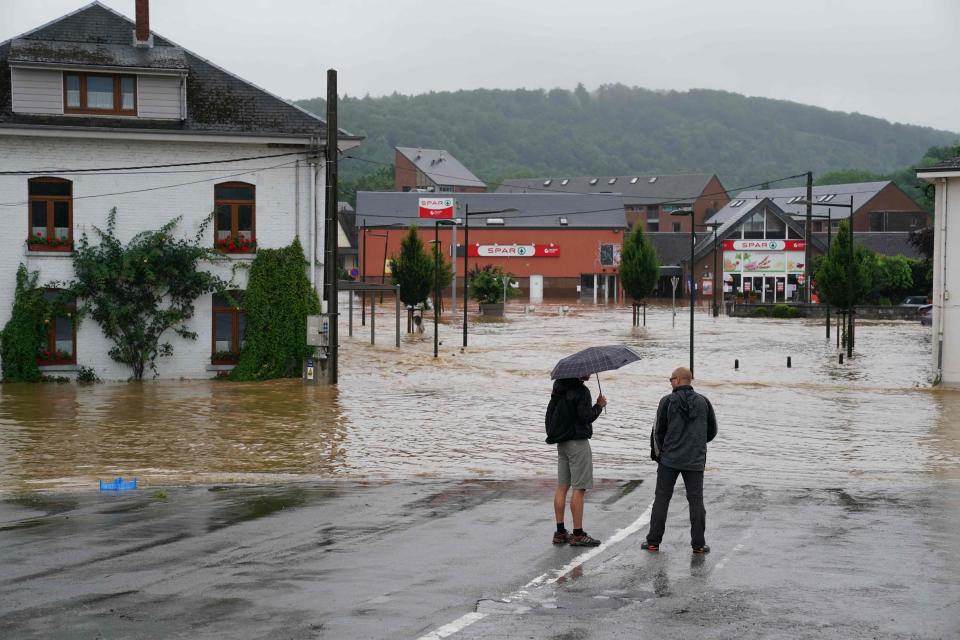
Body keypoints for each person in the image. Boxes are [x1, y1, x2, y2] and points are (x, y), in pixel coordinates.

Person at [644, 366, 717, 554]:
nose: (670, 382)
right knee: (696, 501)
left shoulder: (667, 401)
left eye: (670, 379)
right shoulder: (703, 401)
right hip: (695, 460)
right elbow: (712, 431)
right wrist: (697, 442)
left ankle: (653, 541)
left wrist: (659, 454)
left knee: (662, 498)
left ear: (677, 380)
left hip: (669, 459)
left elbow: (657, 431)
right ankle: (698, 545)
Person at [551, 375, 607, 546]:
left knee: (562, 486)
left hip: (562, 441)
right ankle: (578, 533)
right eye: (587, 371)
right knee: (579, 487)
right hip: (578, 443)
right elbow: (586, 417)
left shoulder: (558, 387)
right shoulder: (581, 391)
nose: (589, 373)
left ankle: (560, 532)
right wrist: (599, 405)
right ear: (579, 373)